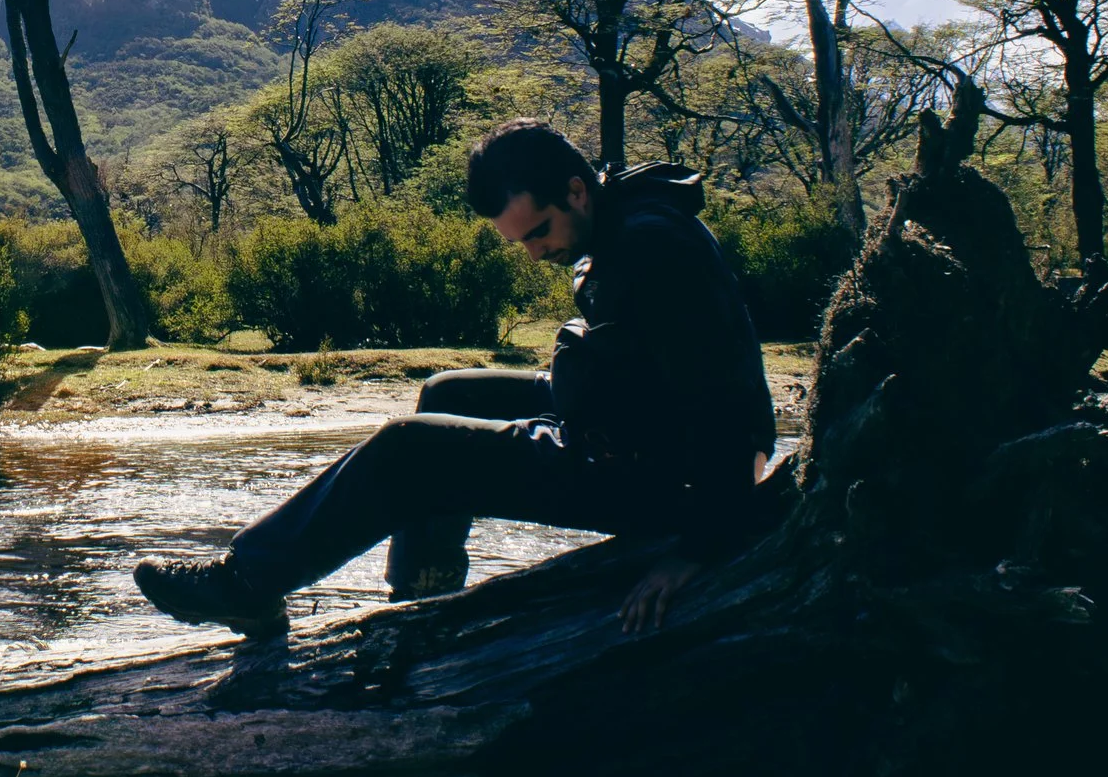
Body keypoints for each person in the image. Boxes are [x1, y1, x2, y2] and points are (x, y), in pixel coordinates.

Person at [133, 119, 776, 639]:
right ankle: (424, 593)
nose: (535, 252)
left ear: (577, 191)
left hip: (675, 481)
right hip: (640, 435)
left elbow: (727, 407)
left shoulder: (655, 249)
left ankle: (246, 585)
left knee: (407, 448)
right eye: (520, 240)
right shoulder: (626, 218)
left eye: (540, 232)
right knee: (449, 391)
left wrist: (699, 547)